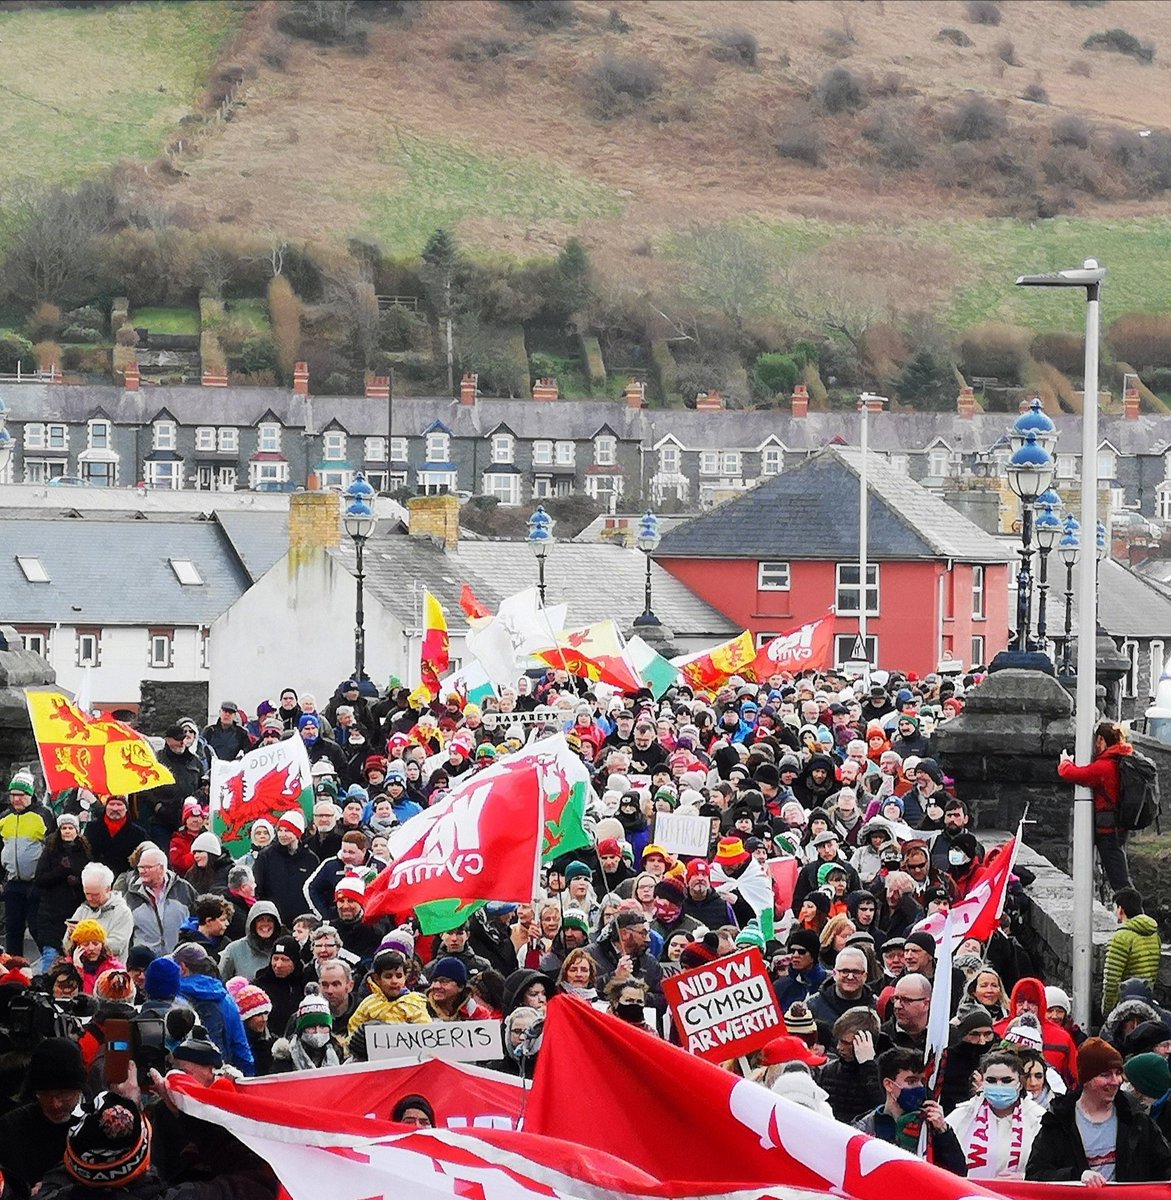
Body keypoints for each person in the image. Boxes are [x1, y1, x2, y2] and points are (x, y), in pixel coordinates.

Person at [1027, 1036, 1171, 1183]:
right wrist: (1077, 1177)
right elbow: (1036, 1175)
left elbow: (1165, 1166)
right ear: (1086, 1079)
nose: (1115, 1081)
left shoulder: (1136, 1118)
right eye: (1105, 1075)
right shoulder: (1059, 1121)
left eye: (1118, 1073)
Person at [852, 1047, 967, 1173]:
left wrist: (943, 1132)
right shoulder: (863, 1129)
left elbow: (959, 1172)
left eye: (923, 1081)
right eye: (911, 1081)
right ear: (889, 1084)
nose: (920, 1087)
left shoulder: (931, 1125)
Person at [0, 1038, 86, 1200]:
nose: (55, 1104)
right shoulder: (11, 1127)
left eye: (63, 1094)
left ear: (78, 1090)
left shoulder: (95, 1125)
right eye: (46, 1095)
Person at [1057, 720, 1134, 891]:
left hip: (1108, 831)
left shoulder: (1105, 767)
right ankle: (1129, 909)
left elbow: (1072, 773)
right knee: (1119, 873)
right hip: (1118, 828)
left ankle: (1133, 913)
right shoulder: (1120, 760)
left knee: (1119, 881)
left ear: (1101, 740)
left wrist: (1065, 762)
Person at [949, 1050, 1045, 1179]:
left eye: (1007, 1080)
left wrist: (1025, 1177)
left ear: (1020, 1083)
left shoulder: (1038, 1118)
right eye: (991, 1080)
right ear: (983, 1081)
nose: (998, 1085)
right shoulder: (963, 1115)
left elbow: (1051, 1167)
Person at [1, 771, 55, 955]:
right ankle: (14, 974)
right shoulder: (4, 817)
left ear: (30, 795)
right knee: (13, 931)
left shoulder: (44, 815)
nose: (16, 799)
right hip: (13, 883)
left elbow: (53, 849)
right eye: (13, 794)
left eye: (21, 795)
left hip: (36, 884)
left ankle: (48, 971)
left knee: (37, 929)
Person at [253, 810, 320, 926]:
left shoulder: (310, 859)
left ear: (298, 833)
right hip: (274, 920)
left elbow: (316, 889)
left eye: (288, 830)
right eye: (280, 830)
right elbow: (258, 888)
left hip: (302, 921)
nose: (282, 834)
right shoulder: (266, 856)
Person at [124, 846, 196, 955]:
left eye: (147, 867)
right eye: (140, 867)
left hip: (180, 961)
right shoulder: (130, 896)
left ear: (161, 868)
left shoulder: (184, 889)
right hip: (146, 965)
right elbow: (126, 934)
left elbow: (197, 922)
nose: (142, 871)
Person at [818, 1007, 883, 1125]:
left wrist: (868, 1066)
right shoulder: (829, 1071)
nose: (839, 1047)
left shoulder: (883, 1072)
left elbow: (882, 1106)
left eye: (846, 1043)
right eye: (839, 1041)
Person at [1102, 888, 1162, 1014]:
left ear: (1120, 909)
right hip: (1146, 1000)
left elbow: (1112, 980)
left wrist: (1107, 1010)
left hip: (1126, 1005)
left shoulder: (1122, 937)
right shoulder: (1153, 933)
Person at [272, 985, 343, 1072]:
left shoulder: (339, 1053)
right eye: (311, 1027)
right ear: (301, 1030)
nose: (317, 1032)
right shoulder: (285, 1057)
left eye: (323, 1027)